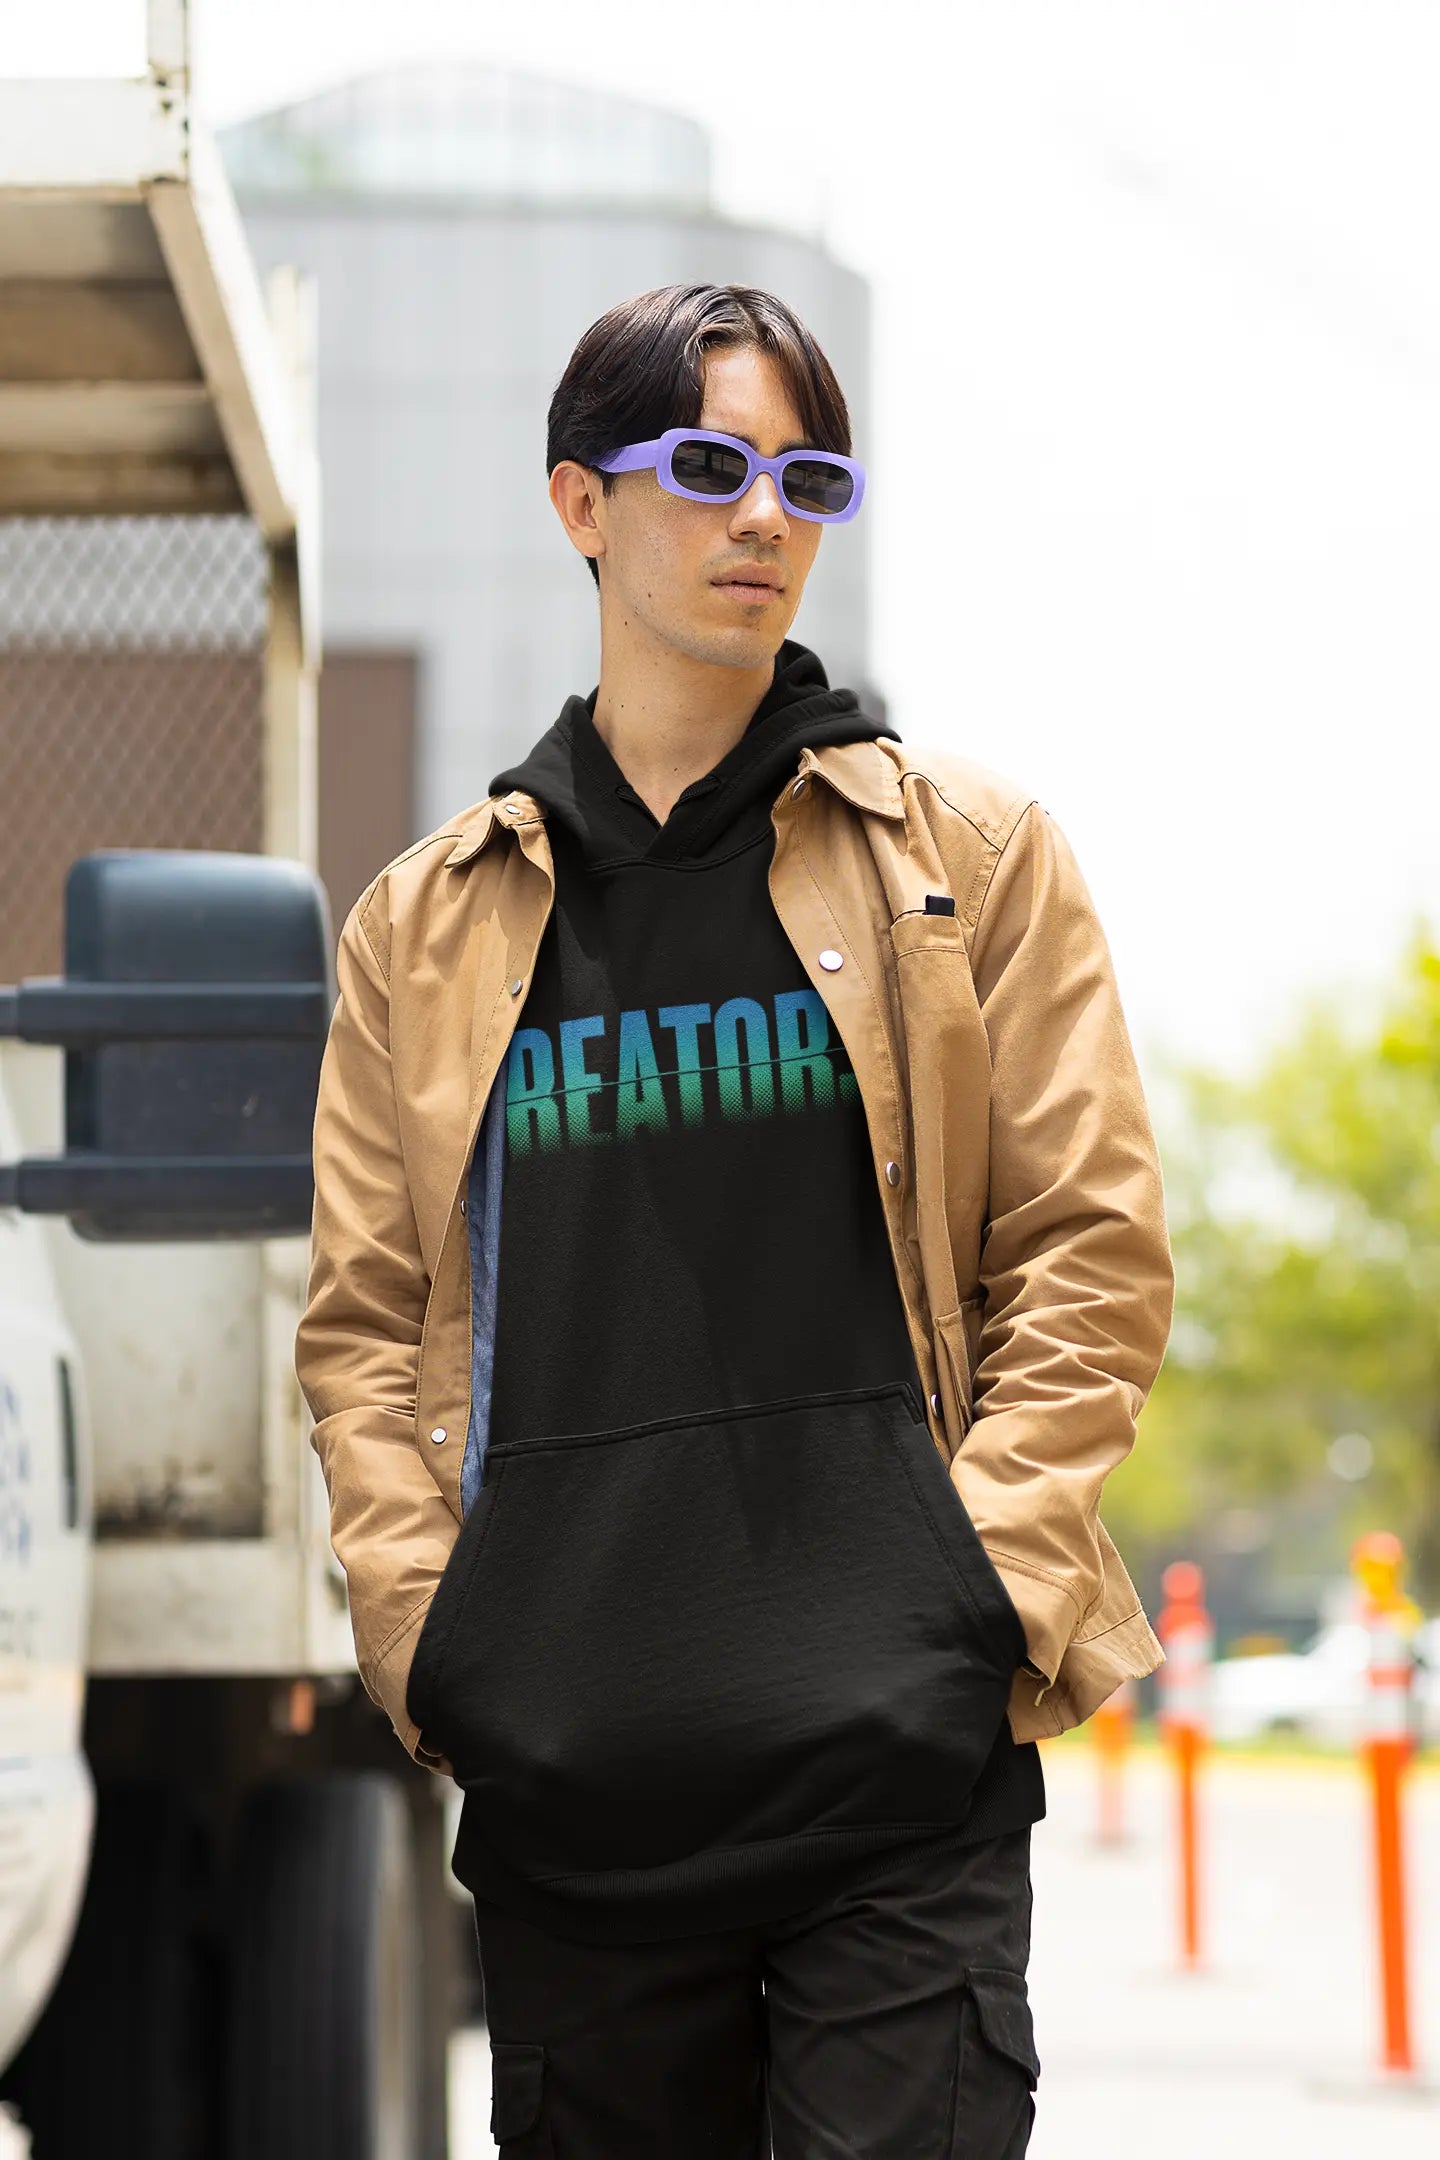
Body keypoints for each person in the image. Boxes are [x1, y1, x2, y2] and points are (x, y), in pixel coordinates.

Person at [296, 282, 1174, 2157]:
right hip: (579, 1785)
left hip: (899, 1785)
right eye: (707, 467)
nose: (763, 515)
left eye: (808, 478)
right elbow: (363, 1328)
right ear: (579, 502)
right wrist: (441, 1645)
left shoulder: (972, 862)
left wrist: (979, 1593)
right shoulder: (425, 929)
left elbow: (1088, 1258)